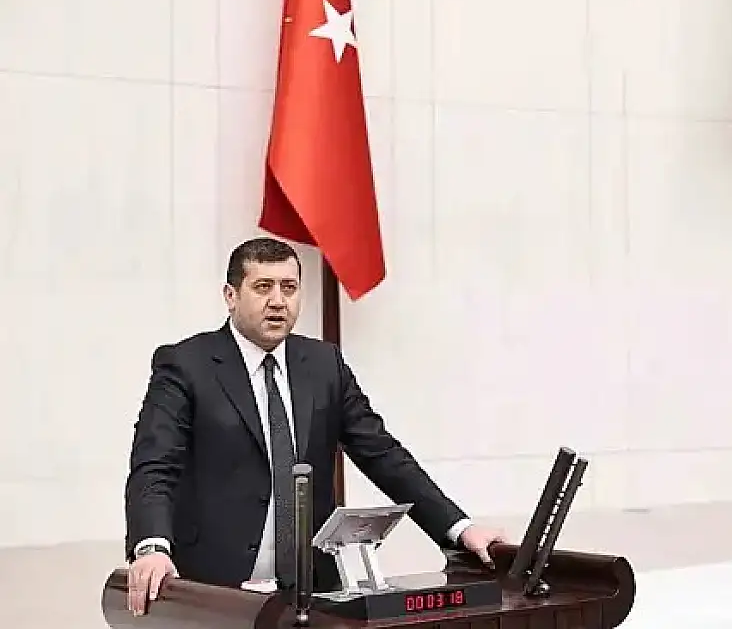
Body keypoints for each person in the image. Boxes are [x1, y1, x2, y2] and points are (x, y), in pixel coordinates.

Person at [123, 237, 505, 615]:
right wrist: (152, 547)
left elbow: (383, 455)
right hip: (215, 592)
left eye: (289, 288)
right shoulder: (186, 365)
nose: (278, 301)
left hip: (314, 593)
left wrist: (459, 527)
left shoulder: (324, 365)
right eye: (263, 287)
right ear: (231, 296)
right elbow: (155, 465)